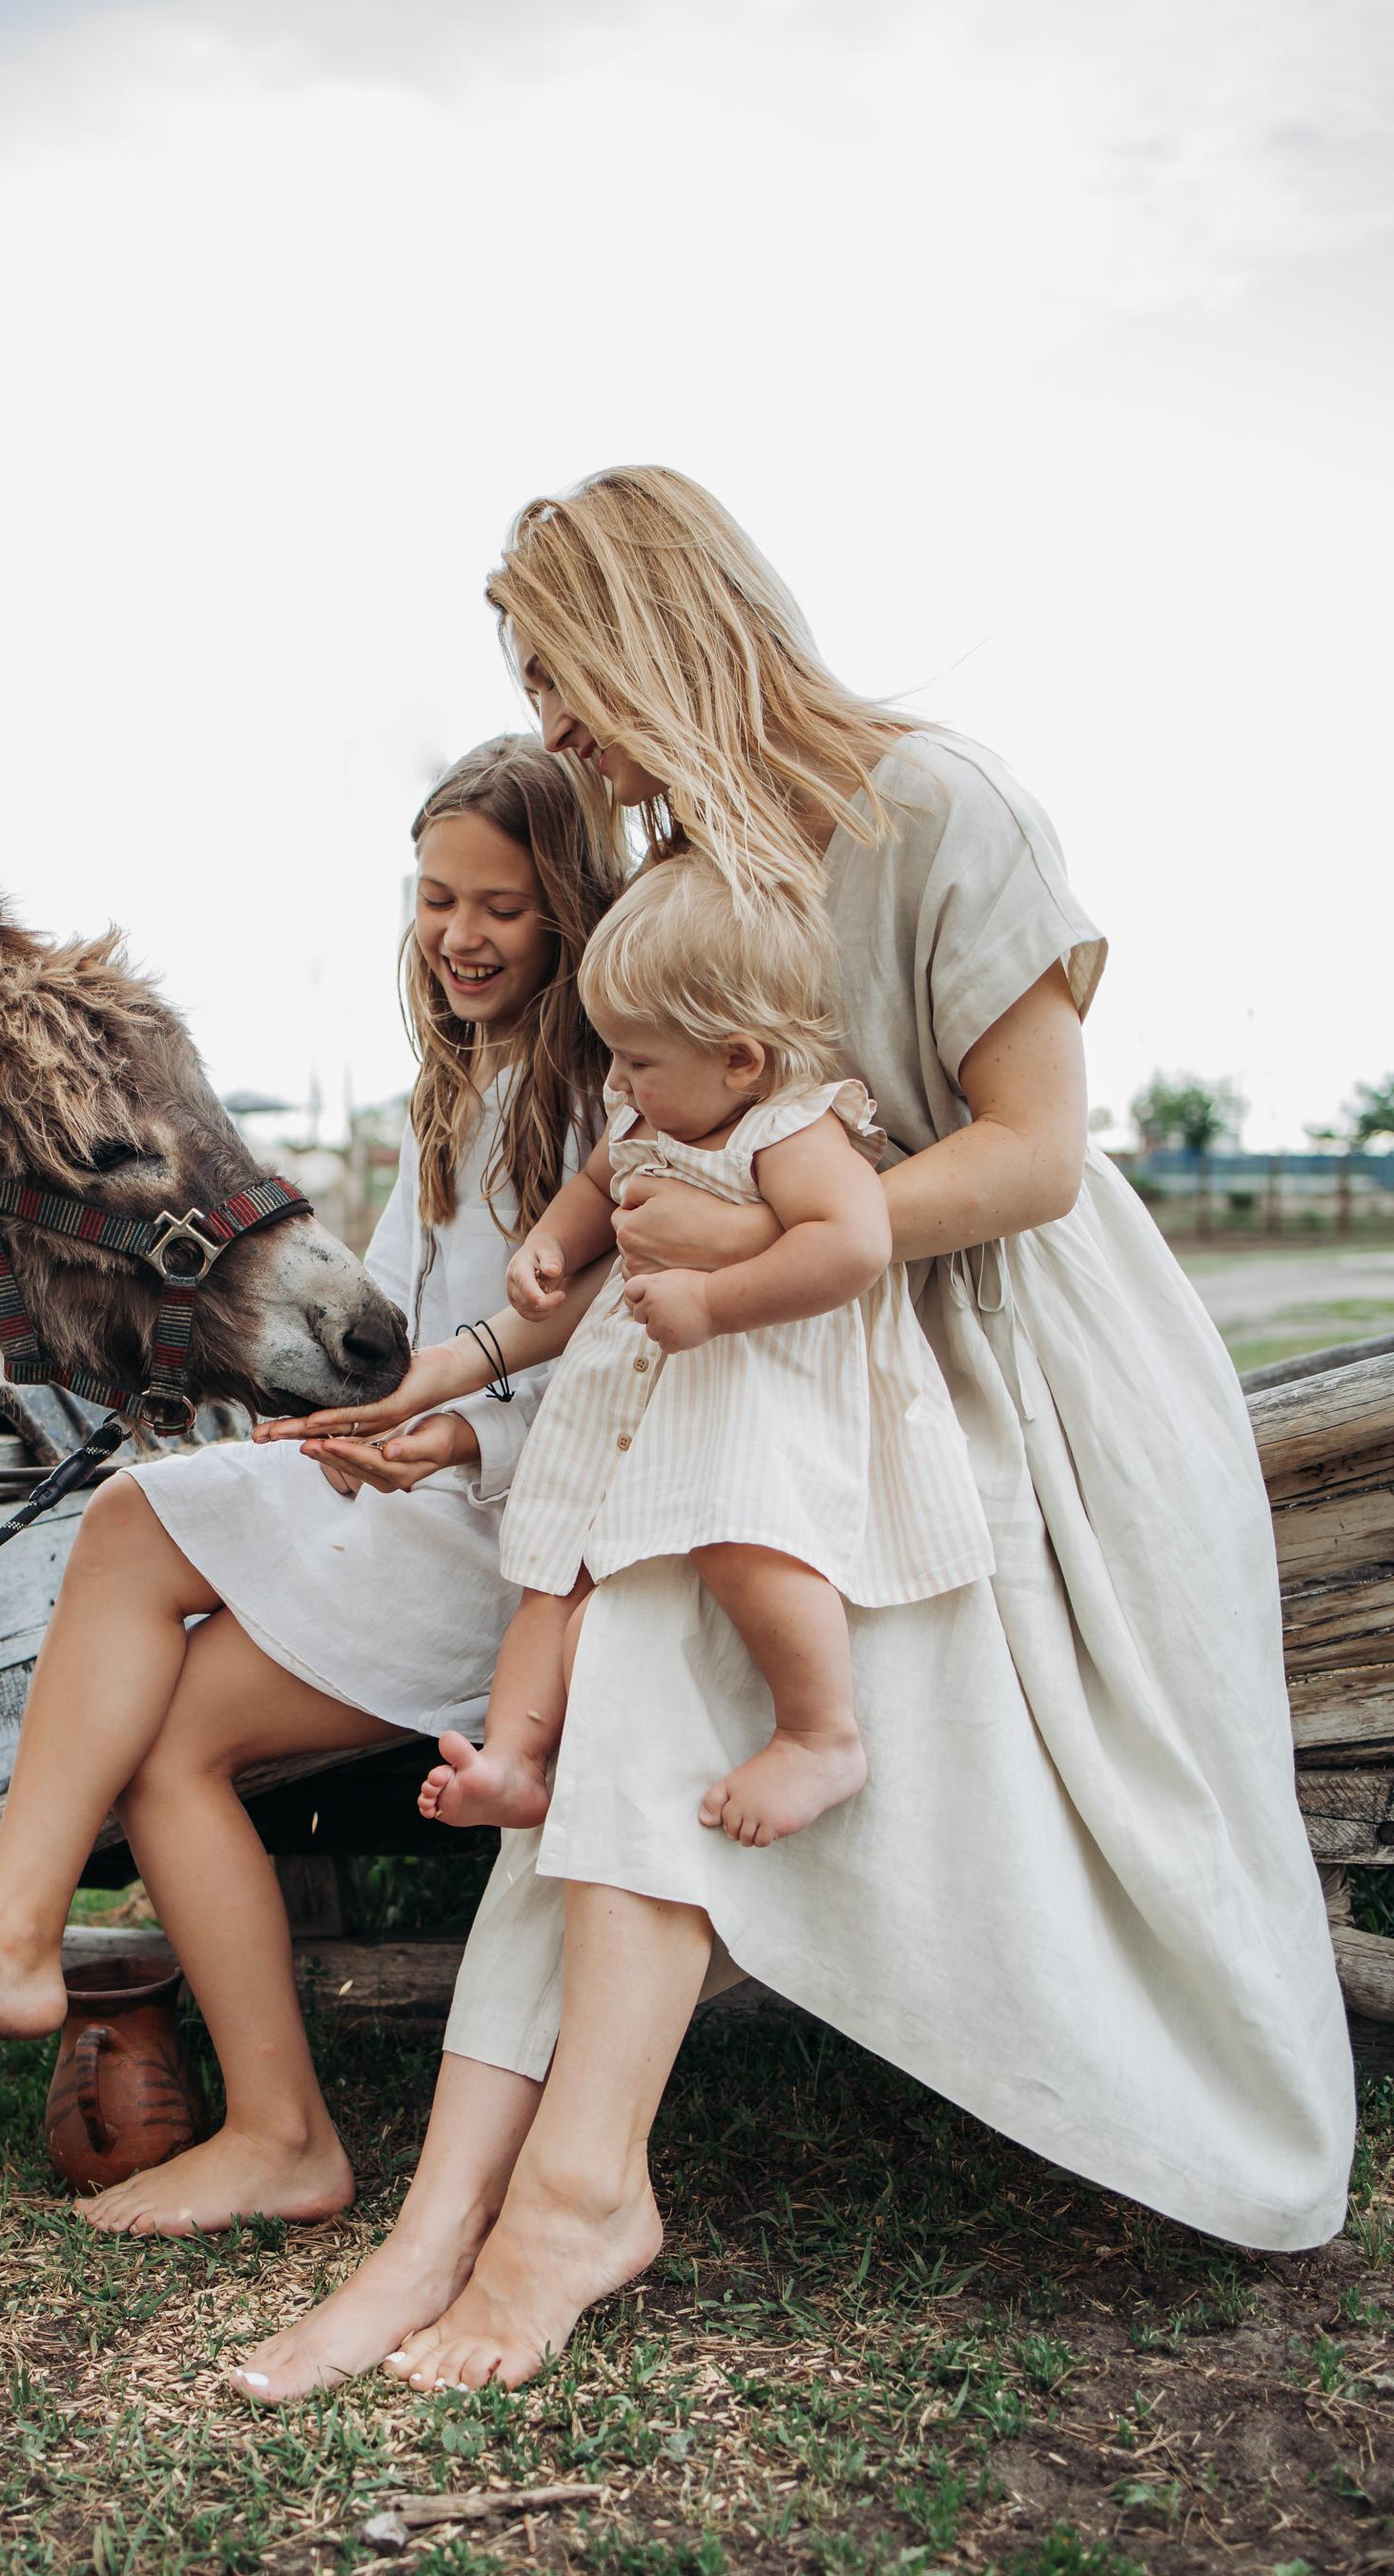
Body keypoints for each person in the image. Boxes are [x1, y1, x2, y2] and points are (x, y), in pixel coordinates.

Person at [237, 463, 1354, 2402]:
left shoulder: (937, 805)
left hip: (992, 1354)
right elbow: (627, 1208)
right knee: (632, 1623)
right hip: (765, 1364)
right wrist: (453, 1374)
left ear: (657, 631)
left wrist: (769, 1248)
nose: (555, 730)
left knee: (656, 1636)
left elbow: (1034, 1156)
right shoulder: (689, 878)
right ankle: (462, 2224)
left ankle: (547, 2204)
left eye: (562, 675)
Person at [0, 736, 626, 2254]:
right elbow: (400, 1332)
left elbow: (628, 1374)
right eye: (437, 898)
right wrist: (332, 1421)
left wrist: (456, 1443)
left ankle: (258, 2116)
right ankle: (38, 1953)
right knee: (139, 1544)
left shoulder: (615, 1106)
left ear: (572, 914)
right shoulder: (455, 1090)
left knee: (172, 1733)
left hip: (521, 1547)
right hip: (417, 1499)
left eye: (502, 907)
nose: (459, 935)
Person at [420, 850, 992, 1850]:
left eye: (636, 1061)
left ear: (739, 1060)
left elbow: (853, 1243)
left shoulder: (790, 1128)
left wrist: (718, 1302)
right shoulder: (645, 1108)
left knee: (745, 1539)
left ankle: (819, 1734)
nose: (616, 1082)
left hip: (748, 1381)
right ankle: (513, 1759)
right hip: (630, 1385)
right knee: (554, 1565)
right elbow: (596, 1187)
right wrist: (550, 1246)